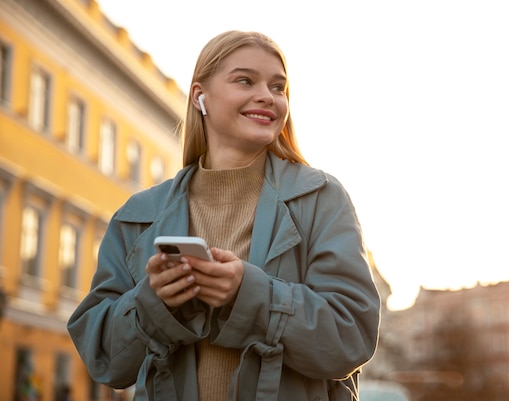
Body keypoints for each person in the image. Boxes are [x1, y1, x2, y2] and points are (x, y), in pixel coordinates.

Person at [67, 30, 380, 401]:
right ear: (201, 96)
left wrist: (247, 294)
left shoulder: (321, 198)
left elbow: (352, 338)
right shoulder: (137, 216)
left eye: (278, 87)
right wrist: (153, 301)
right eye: (245, 80)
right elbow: (104, 360)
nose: (267, 95)